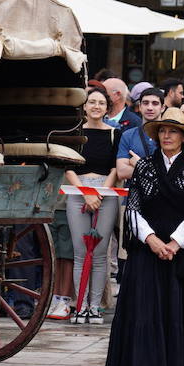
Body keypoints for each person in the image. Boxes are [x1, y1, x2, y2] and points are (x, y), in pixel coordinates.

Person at [102, 108, 184, 366]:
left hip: (180, 249)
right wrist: (152, 240)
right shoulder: (145, 166)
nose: (166, 135)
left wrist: (174, 243)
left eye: (172, 131)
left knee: (174, 308)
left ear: (183, 137)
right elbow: (133, 208)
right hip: (146, 247)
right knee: (137, 306)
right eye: (162, 130)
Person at [63, 88, 120, 323]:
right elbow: (67, 166)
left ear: (107, 108)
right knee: (79, 251)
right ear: (84, 106)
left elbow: (116, 168)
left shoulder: (115, 134)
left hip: (106, 192)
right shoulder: (73, 133)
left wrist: (103, 192)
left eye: (101, 103)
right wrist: (86, 194)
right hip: (78, 190)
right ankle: (80, 305)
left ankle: (95, 306)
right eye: (92, 102)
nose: (96, 106)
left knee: (99, 253)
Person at [115, 88, 165, 183]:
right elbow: (122, 172)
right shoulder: (128, 135)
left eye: (155, 103)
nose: (150, 107)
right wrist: (157, 170)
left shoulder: (170, 135)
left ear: (162, 108)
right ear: (140, 107)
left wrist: (140, 164)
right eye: (145, 103)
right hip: (135, 194)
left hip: (163, 195)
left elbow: (172, 170)